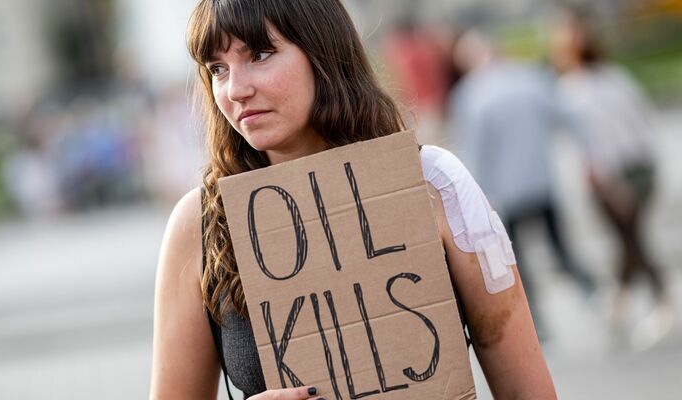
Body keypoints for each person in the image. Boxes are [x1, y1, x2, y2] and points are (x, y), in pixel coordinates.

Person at [151, 1, 556, 399]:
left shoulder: (434, 183)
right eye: (217, 69)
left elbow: (527, 390)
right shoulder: (200, 224)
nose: (236, 90)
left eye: (259, 54)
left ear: (322, 53)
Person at [450, 29, 596, 339]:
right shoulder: (529, 78)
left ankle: (536, 325)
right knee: (561, 250)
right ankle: (593, 293)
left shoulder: (469, 96)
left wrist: (477, 200)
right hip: (541, 182)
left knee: (518, 263)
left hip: (504, 194)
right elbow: (567, 116)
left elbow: (474, 154)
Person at [550, 7, 673, 345]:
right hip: (642, 167)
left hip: (613, 176)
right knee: (629, 237)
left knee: (631, 239)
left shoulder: (572, 90)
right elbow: (643, 120)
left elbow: (596, 142)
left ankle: (660, 303)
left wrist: (611, 183)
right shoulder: (614, 76)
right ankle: (623, 303)